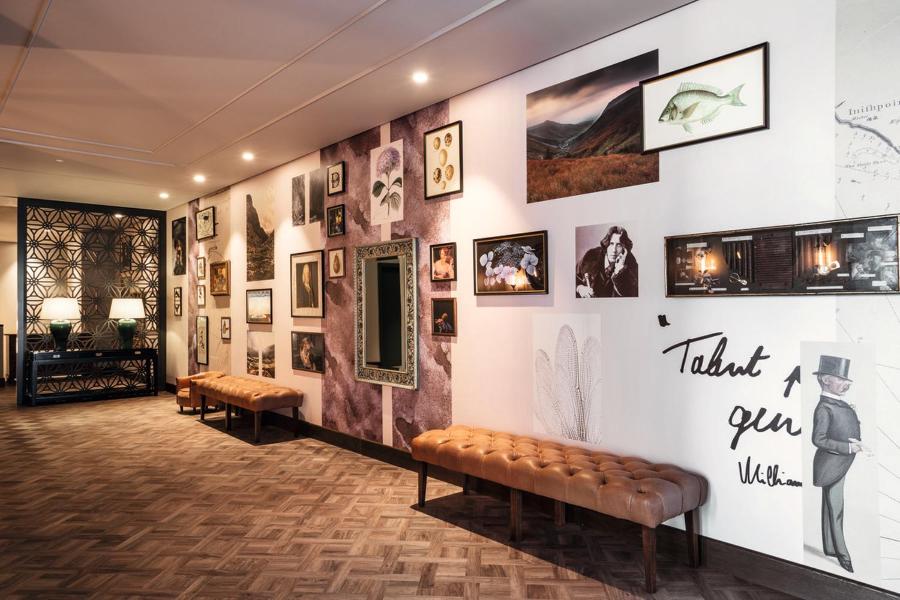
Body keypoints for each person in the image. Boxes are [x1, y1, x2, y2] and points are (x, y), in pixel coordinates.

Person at [811, 355, 871, 574]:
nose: (846, 383)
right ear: (826, 380)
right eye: (840, 379)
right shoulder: (824, 407)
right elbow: (818, 439)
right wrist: (848, 447)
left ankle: (830, 547)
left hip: (838, 463)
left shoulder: (837, 403)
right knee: (836, 508)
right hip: (831, 464)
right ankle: (844, 555)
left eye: (847, 380)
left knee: (830, 505)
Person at [576, 225, 638, 297]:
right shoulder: (591, 257)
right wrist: (580, 288)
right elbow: (572, 277)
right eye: (611, 244)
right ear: (606, 244)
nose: (614, 250)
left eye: (619, 245)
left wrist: (619, 273)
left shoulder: (631, 263)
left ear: (624, 249)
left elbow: (633, 294)